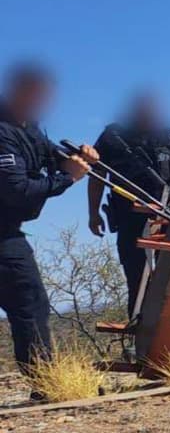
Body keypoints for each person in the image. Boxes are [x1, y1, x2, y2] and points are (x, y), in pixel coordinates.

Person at [0, 62, 98, 377]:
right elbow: (16, 190)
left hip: (8, 232)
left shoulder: (29, 127)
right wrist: (68, 179)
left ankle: (45, 381)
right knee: (28, 301)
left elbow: (50, 155)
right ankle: (46, 383)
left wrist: (79, 158)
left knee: (31, 302)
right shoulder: (2, 131)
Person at [88, 92, 170, 314]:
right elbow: (97, 177)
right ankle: (141, 337)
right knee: (137, 278)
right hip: (129, 218)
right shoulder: (113, 137)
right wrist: (93, 214)